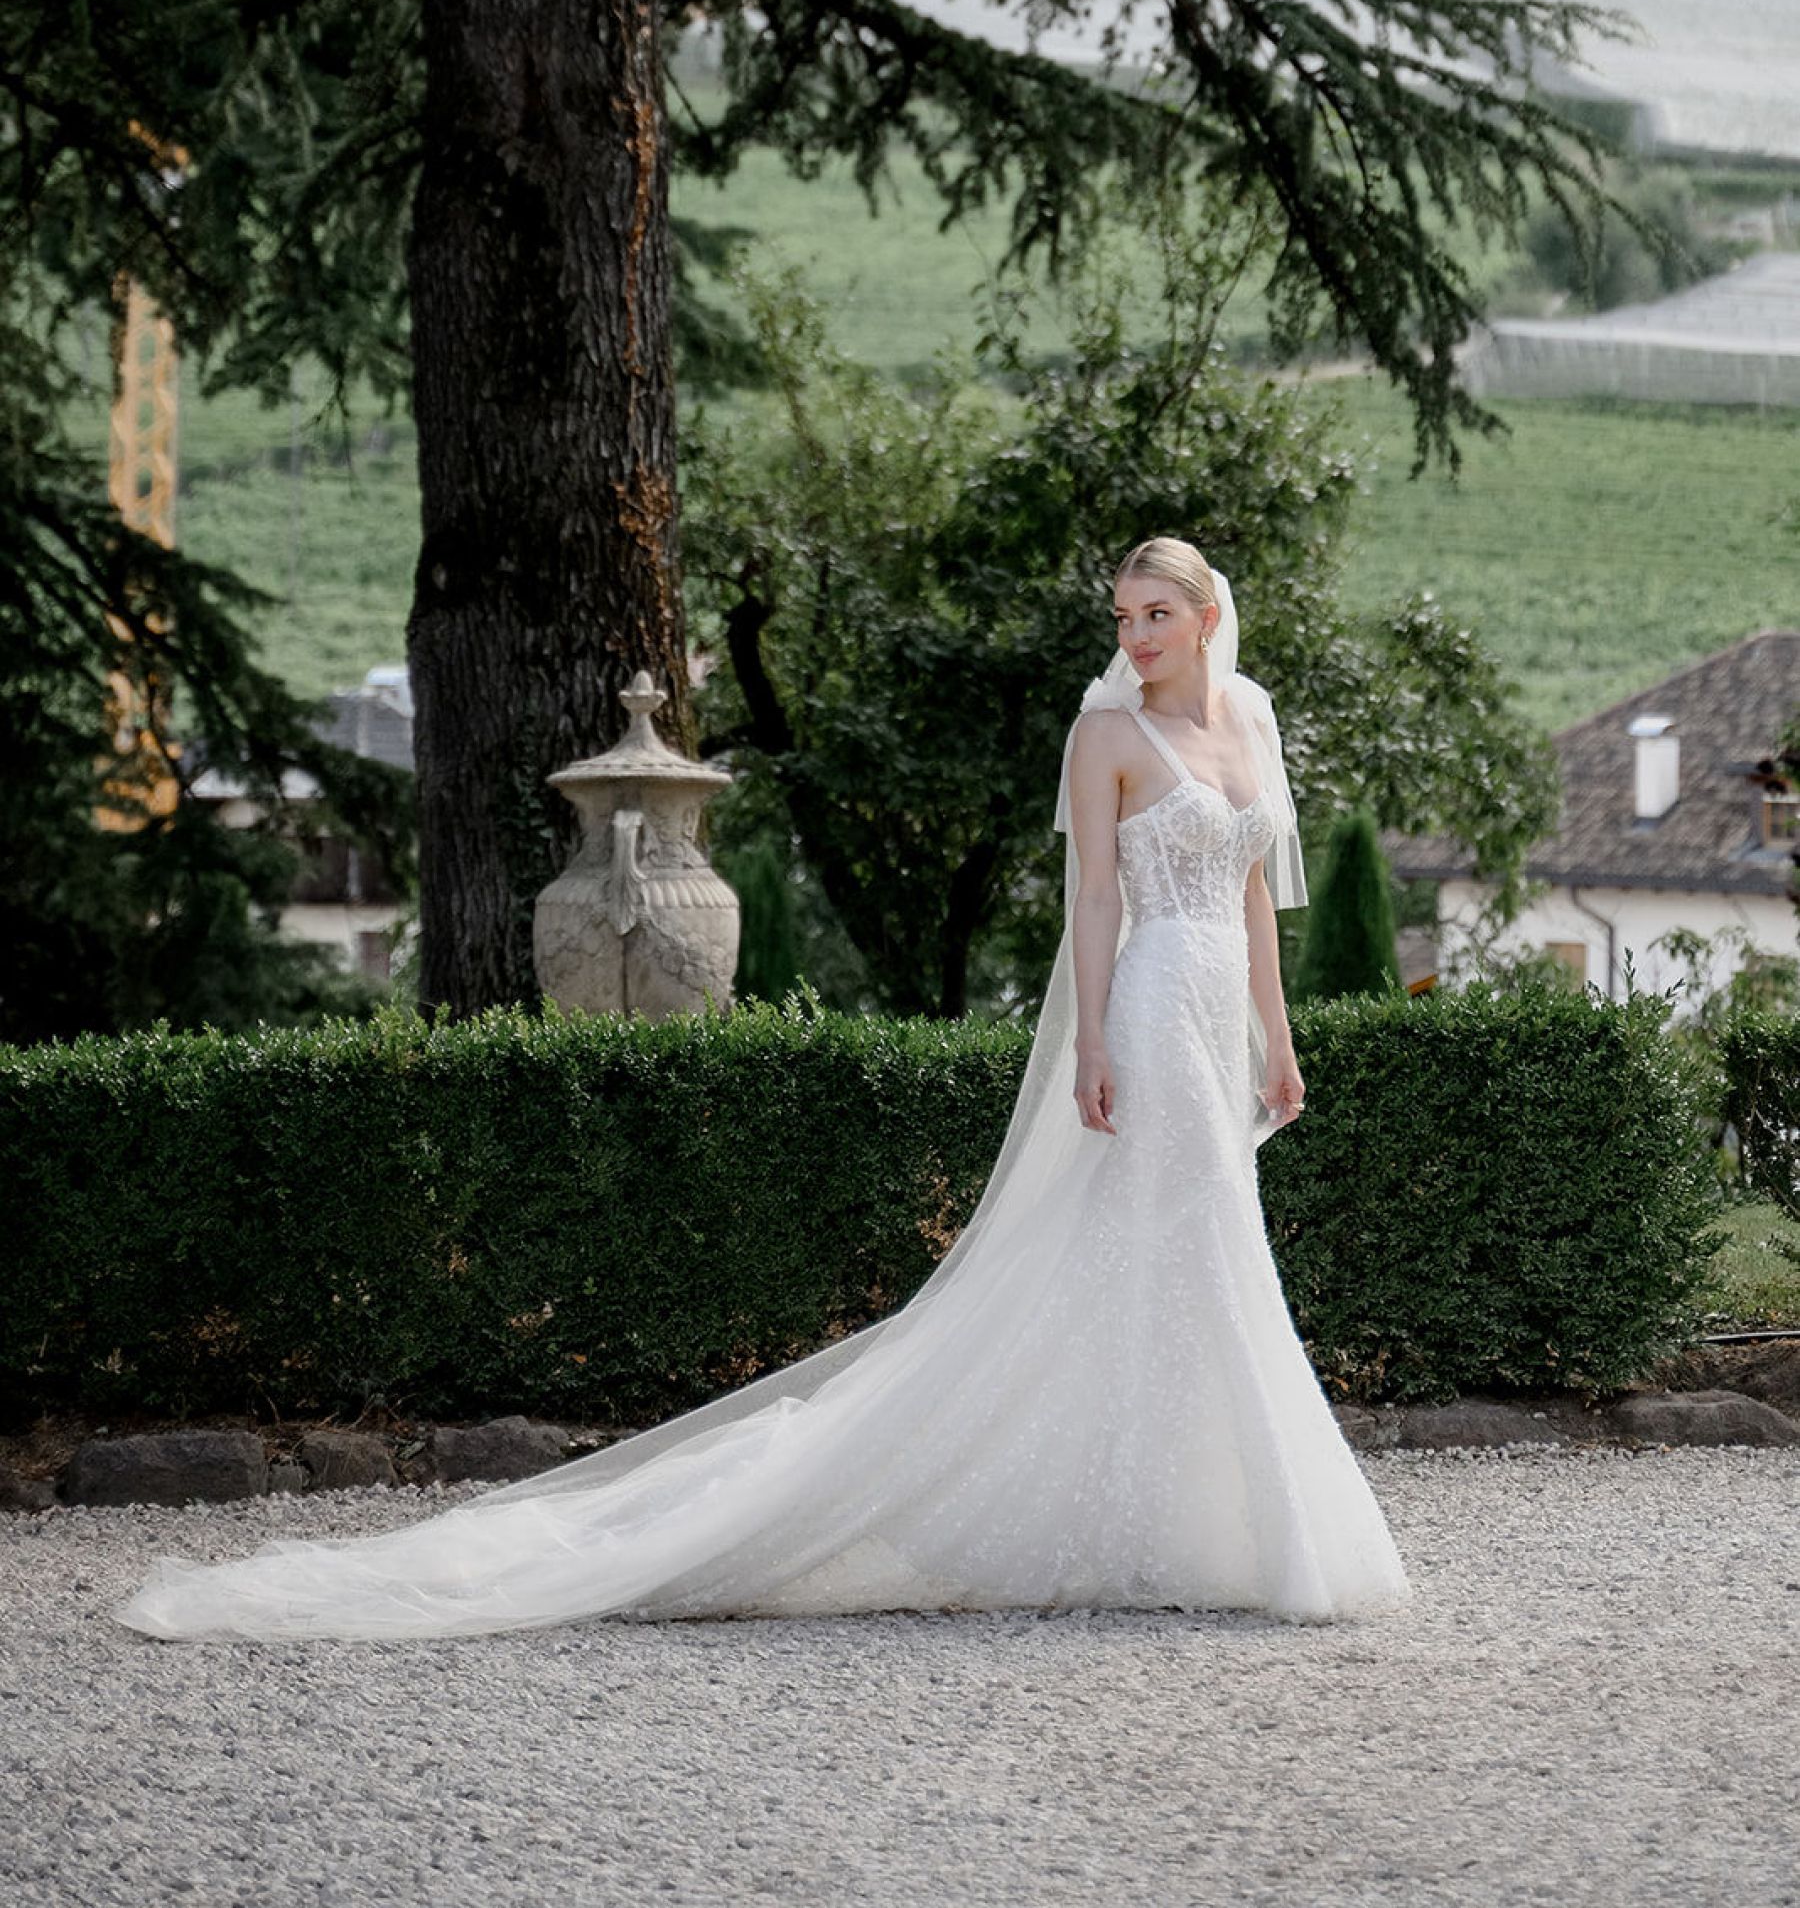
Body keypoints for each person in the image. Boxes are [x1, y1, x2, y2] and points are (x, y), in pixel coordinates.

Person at [117, 539, 1410, 1642]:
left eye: (1156, 617)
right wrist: (1086, 1048)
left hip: (1216, 1009)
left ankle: (1195, 1520)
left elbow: (1253, 895)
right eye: (1123, 619)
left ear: (1207, 620)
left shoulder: (1247, 724)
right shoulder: (1104, 736)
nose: (1135, 639)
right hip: (1144, 1003)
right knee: (1178, 1240)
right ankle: (1226, 1529)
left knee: (1202, 1243)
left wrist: (1278, 1044)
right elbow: (1094, 898)